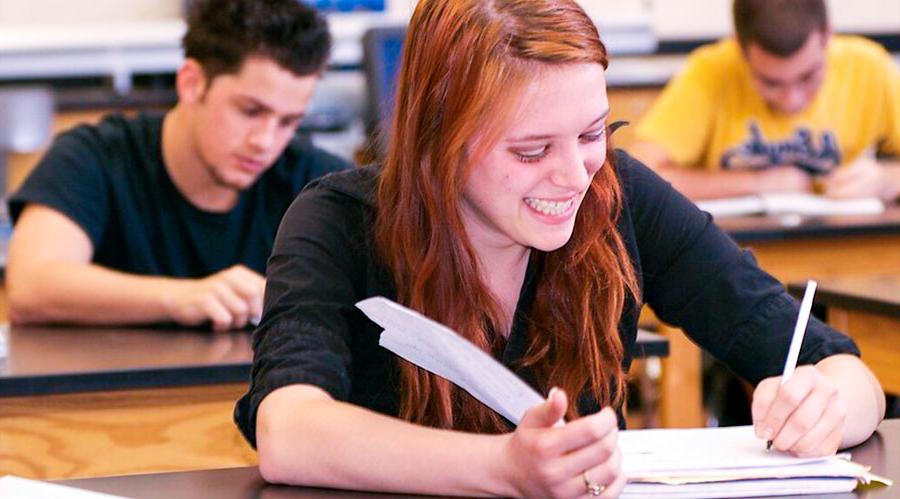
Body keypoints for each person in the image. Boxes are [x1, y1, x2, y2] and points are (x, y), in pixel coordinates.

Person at [235, 0, 885, 497]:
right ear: (438, 135)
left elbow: (849, 374)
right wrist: (503, 469)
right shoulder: (336, 223)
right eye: (531, 149)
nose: (576, 175)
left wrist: (825, 404)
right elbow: (289, 430)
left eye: (593, 132)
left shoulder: (620, 196)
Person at [6, 0, 351, 330]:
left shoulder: (320, 183)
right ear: (191, 83)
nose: (265, 140)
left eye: (288, 122)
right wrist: (182, 297)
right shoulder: (94, 157)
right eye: (250, 111)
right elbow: (30, 285)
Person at [632, 0, 900, 201]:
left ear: (827, 35)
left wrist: (887, 178)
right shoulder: (710, 71)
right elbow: (637, 177)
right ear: (739, 48)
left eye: (808, 77)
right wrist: (759, 183)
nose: (791, 100)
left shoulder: (868, 66)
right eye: (770, 83)